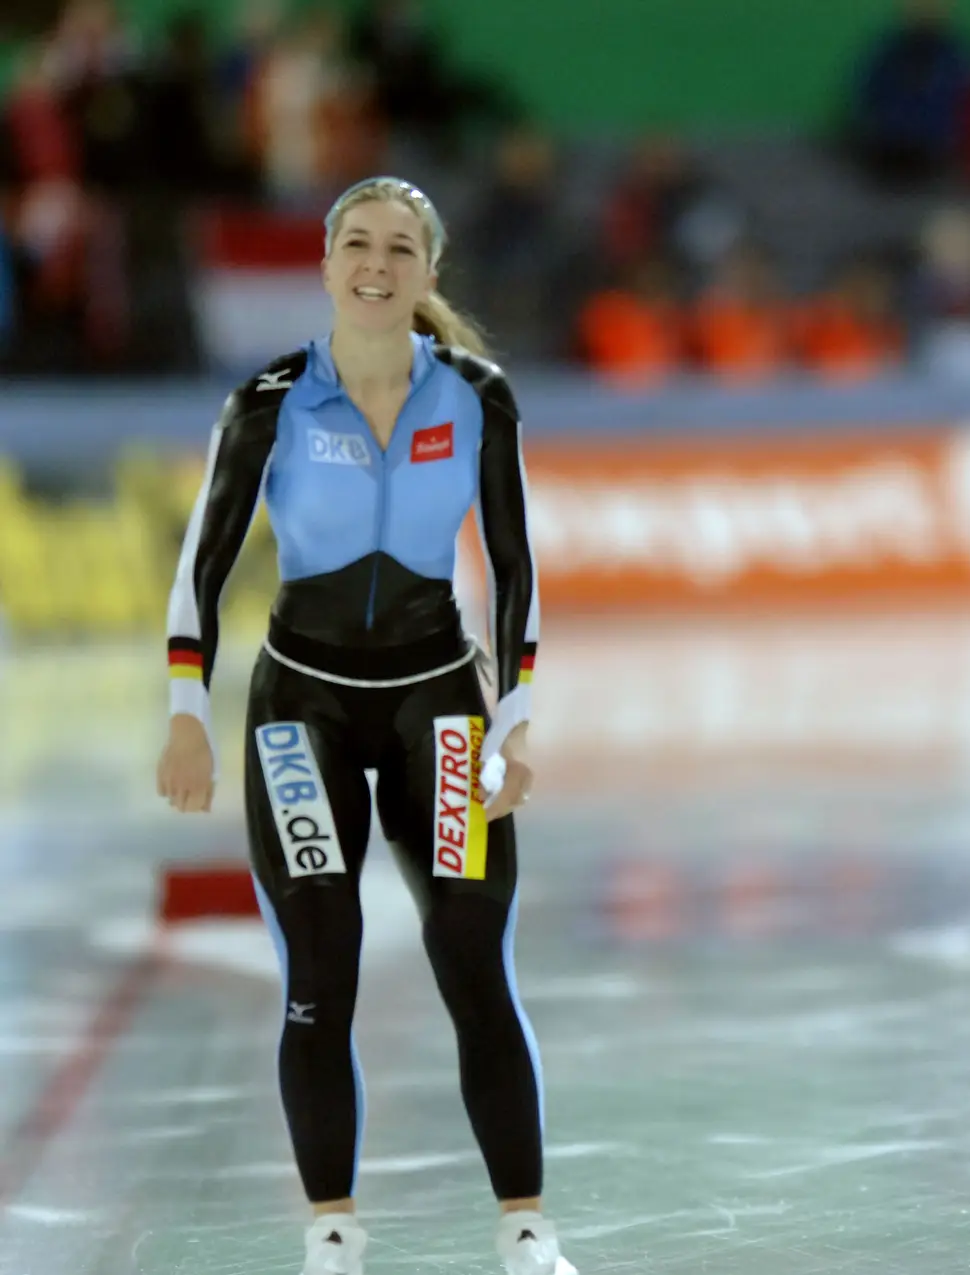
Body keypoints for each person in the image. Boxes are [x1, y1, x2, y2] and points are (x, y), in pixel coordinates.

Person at [154, 176, 577, 1275]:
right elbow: (202, 564)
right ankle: (333, 1234)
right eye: (356, 244)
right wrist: (185, 714)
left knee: (474, 962)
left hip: (441, 708)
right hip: (302, 712)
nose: (376, 265)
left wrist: (517, 722)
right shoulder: (270, 399)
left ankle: (525, 1229)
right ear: (327, 260)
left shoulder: (477, 395)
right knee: (319, 969)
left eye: (399, 248)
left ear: (428, 273)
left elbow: (518, 563)